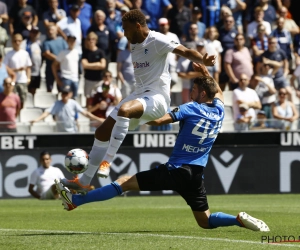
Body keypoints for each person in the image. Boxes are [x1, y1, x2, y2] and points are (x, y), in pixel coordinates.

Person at [55, 63, 270, 233]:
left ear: (202, 94)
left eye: (194, 90)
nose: (191, 93)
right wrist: (207, 73)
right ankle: (237, 220)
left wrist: (134, 114)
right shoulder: (220, 111)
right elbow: (219, 93)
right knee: (205, 222)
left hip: (176, 169)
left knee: (124, 182)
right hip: (195, 174)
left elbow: (159, 121)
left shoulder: (191, 108)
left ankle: (76, 200)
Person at [59, 9, 216, 192]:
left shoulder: (157, 40)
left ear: (138, 26)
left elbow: (184, 50)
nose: (124, 33)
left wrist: (203, 60)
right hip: (139, 95)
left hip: (157, 98)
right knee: (102, 132)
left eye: (126, 29)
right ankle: (84, 182)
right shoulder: (134, 41)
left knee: (125, 110)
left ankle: (106, 163)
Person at [30, 85, 104, 133]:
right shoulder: (57, 104)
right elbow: (47, 112)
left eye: (66, 93)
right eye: (63, 93)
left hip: (72, 131)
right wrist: (37, 119)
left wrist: (98, 119)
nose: (65, 95)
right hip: (60, 132)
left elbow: (85, 113)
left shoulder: (73, 103)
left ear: (70, 94)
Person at [4, 33, 32, 109]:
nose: (17, 43)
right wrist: (16, 70)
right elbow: (5, 67)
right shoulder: (9, 54)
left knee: (22, 99)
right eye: (15, 41)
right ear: (12, 42)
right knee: (13, 99)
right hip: (13, 81)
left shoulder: (25, 53)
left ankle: (20, 114)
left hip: (22, 80)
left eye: (19, 41)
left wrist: (28, 78)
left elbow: (28, 67)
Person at [82, 31, 106, 99]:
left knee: (100, 98)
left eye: (93, 39)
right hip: (88, 80)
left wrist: (89, 65)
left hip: (99, 80)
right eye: (89, 39)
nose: (91, 41)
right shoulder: (85, 52)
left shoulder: (101, 52)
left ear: (96, 40)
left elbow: (103, 66)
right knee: (88, 99)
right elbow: (84, 65)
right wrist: (97, 64)